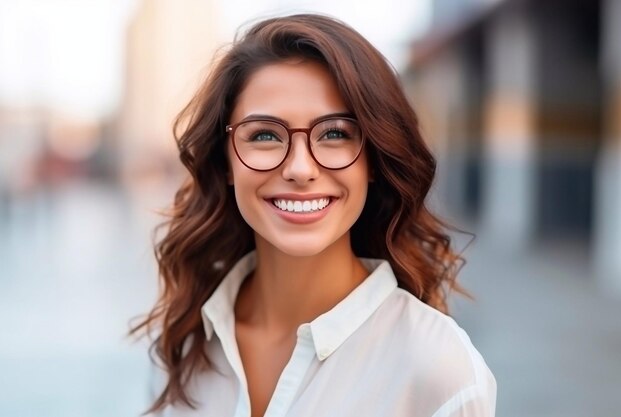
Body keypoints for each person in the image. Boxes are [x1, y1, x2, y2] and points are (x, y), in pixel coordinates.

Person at [131, 13, 496, 417]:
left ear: (373, 160)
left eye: (336, 133)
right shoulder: (183, 344)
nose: (300, 169)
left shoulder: (439, 370)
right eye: (265, 135)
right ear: (226, 161)